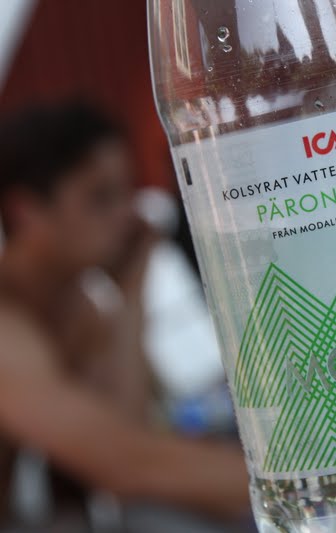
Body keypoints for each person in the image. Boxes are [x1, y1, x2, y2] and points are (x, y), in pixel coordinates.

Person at [0, 103, 249, 522]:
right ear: (27, 211)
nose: (128, 214)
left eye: (128, 190)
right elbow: (126, 466)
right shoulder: (7, 329)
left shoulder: (78, 310)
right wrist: (310, 478)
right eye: (100, 197)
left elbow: (129, 435)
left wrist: (131, 290)